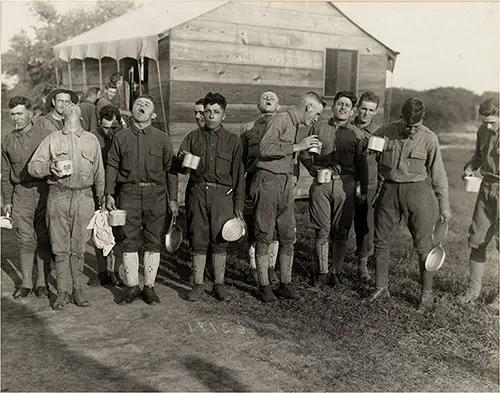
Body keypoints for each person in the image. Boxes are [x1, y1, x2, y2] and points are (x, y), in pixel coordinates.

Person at [368, 97, 451, 310]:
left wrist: (444, 206)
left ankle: (427, 294)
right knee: (381, 240)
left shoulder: (429, 139)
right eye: (407, 125)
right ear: (401, 118)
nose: (411, 130)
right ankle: (381, 288)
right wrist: (368, 151)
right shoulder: (385, 131)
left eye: (416, 126)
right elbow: (368, 153)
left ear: (422, 120)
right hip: (389, 190)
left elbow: (439, 174)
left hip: (418, 193)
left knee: (424, 246)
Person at [28, 104, 105, 310]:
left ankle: (78, 291)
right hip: (58, 196)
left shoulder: (91, 140)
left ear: (81, 117)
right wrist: (49, 168)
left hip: (84, 197)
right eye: (67, 105)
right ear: (62, 116)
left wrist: (101, 198)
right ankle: (62, 292)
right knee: (60, 247)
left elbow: (99, 171)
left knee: (79, 247)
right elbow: (33, 167)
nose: (71, 106)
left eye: (74, 104)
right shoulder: (52, 139)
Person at [105, 94, 179, 305]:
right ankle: (132, 287)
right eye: (138, 104)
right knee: (128, 240)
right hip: (128, 194)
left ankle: (149, 288)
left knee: (153, 241)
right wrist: (109, 193)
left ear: (153, 115)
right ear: (132, 111)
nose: (142, 106)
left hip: (156, 195)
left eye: (147, 105)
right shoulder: (121, 137)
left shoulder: (162, 138)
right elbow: (112, 165)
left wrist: (173, 199)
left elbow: (171, 171)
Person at [252, 91, 325, 302]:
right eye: (317, 113)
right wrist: (297, 146)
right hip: (268, 181)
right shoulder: (281, 119)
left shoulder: (295, 125)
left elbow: (292, 156)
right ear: (308, 107)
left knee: (287, 235)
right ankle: (263, 285)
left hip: (284, 184)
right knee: (264, 234)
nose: (316, 118)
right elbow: (264, 148)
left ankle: (285, 283)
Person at [177, 92, 244, 302]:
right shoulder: (192, 138)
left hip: (222, 195)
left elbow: (239, 176)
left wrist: (238, 205)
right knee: (198, 238)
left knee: (220, 239)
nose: (211, 116)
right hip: (197, 192)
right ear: (202, 113)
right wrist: (182, 161)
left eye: (216, 112)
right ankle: (197, 284)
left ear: (224, 115)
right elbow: (181, 169)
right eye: (208, 111)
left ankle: (219, 284)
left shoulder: (233, 141)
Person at [300, 92, 367, 288]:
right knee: (322, 230)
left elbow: (363, 166)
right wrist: (310, 167)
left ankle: (336, 272)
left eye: (347, 105)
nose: (343, 108)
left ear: (352, 110)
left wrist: (360, 191)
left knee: (341, 231)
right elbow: (304, 151)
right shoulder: (319, 126)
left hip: (345, 185)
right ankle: (322, 271)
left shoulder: (357, 134)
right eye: (340, 104)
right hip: (321, 183)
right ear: (333, 106)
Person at [1, 96, 53, 299]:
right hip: (20, 193)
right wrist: (7, 200)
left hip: (44, 192)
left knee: (43, 237)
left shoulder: (46, 136)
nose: (16, 118)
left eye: (20, 113)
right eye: (12, 114)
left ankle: (41, 283)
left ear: (30, 113)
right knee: (25, 240)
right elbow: (5, 174)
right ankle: (26, 283)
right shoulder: (7, 140)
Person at [458, 97, 499, 315]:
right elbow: (477, 156)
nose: (488, 126)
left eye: (492, 122)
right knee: (476, 240)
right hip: (486, 188)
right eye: (485, 122)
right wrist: (470, 167)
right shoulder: (482, 131)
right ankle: (473, 290)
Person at [241, 91, 281, 284]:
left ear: (278, 106)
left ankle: (271, 266)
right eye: (264, 97)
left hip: (276, 182)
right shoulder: (248, 127)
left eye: (272, 98)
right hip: (253, 180)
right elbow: (241, 159)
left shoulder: (285, 125)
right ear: (258, 105)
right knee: (254, 224)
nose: (268, 99)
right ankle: (253, 266)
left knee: (273, 224)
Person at [87, 104, 123, 287]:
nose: (110, 131)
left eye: (114, 127)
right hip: (97, 189)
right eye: (106, 127)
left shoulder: (124, 135)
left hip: (119, 189)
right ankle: (102, 272)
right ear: (100, 122)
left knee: (119, 231)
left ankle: (115, 271)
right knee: (100, 230)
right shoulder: (92, 137)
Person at [352, 91, 381, 282]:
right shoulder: (347, 127)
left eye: (370, 110)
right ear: (357, 108)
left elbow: (383, 161)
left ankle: (362, 265)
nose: (366, 113)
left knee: (366, 225)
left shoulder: (379, 133)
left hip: (368, 184)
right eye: (363, 108)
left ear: (375, 112)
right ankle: (331, 262)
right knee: (340, 222)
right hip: (345, 181)